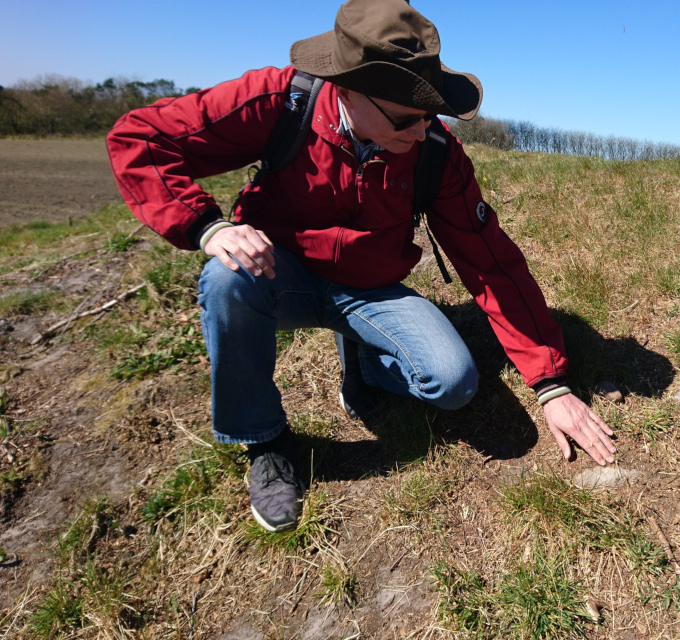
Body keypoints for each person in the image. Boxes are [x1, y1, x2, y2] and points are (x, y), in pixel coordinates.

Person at [106, 0, 616, 533]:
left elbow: (489, 261)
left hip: (372, 289)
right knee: (227, 280)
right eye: (406, 118)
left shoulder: (434, 151)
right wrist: (208, 227)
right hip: (284, 279)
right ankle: (265, 441)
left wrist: (550, 384)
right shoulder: (282, 102)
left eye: (429, 115)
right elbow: (140, 138)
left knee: (455, 382)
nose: (422, 131)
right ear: (347, 89)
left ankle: (365, 360)